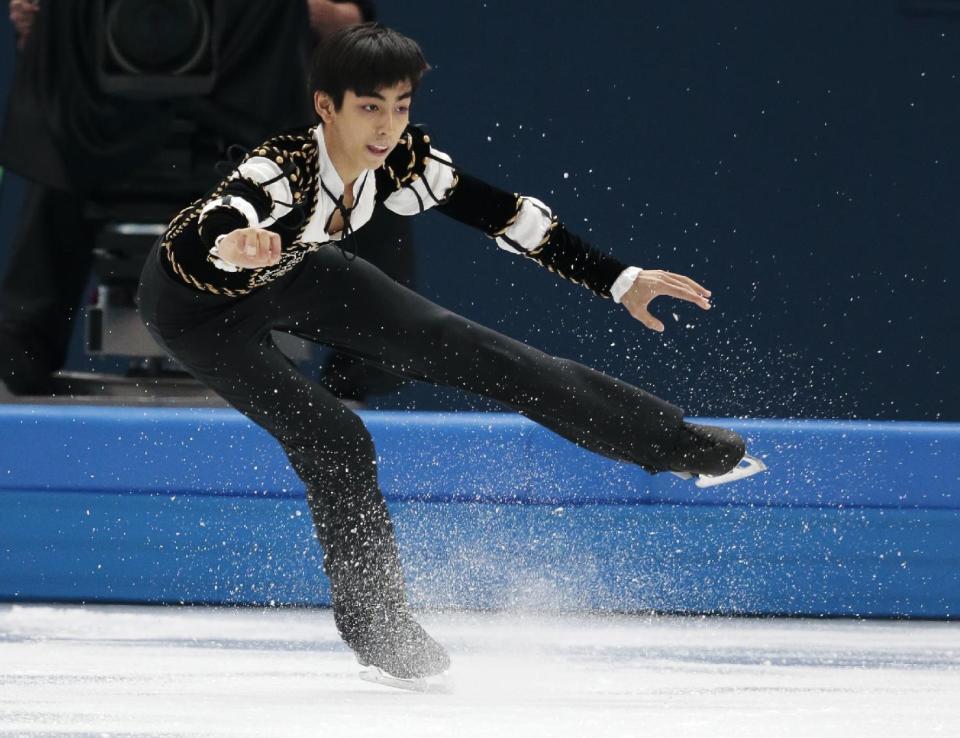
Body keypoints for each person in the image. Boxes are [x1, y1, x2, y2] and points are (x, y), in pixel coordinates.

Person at [137, 23, 765, 688]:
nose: (386, 126)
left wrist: (618, 278)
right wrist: (234, 243)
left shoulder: (404, 162)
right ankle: (378, 627)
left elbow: (510, 217)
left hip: (295, 270)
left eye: (400, 106)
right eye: (369, 107)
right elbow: (220, 214)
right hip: (199, 311)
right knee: (335, 437)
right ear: (327, 107)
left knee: (476, 349)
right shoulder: (280, 171)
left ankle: (671, 444)